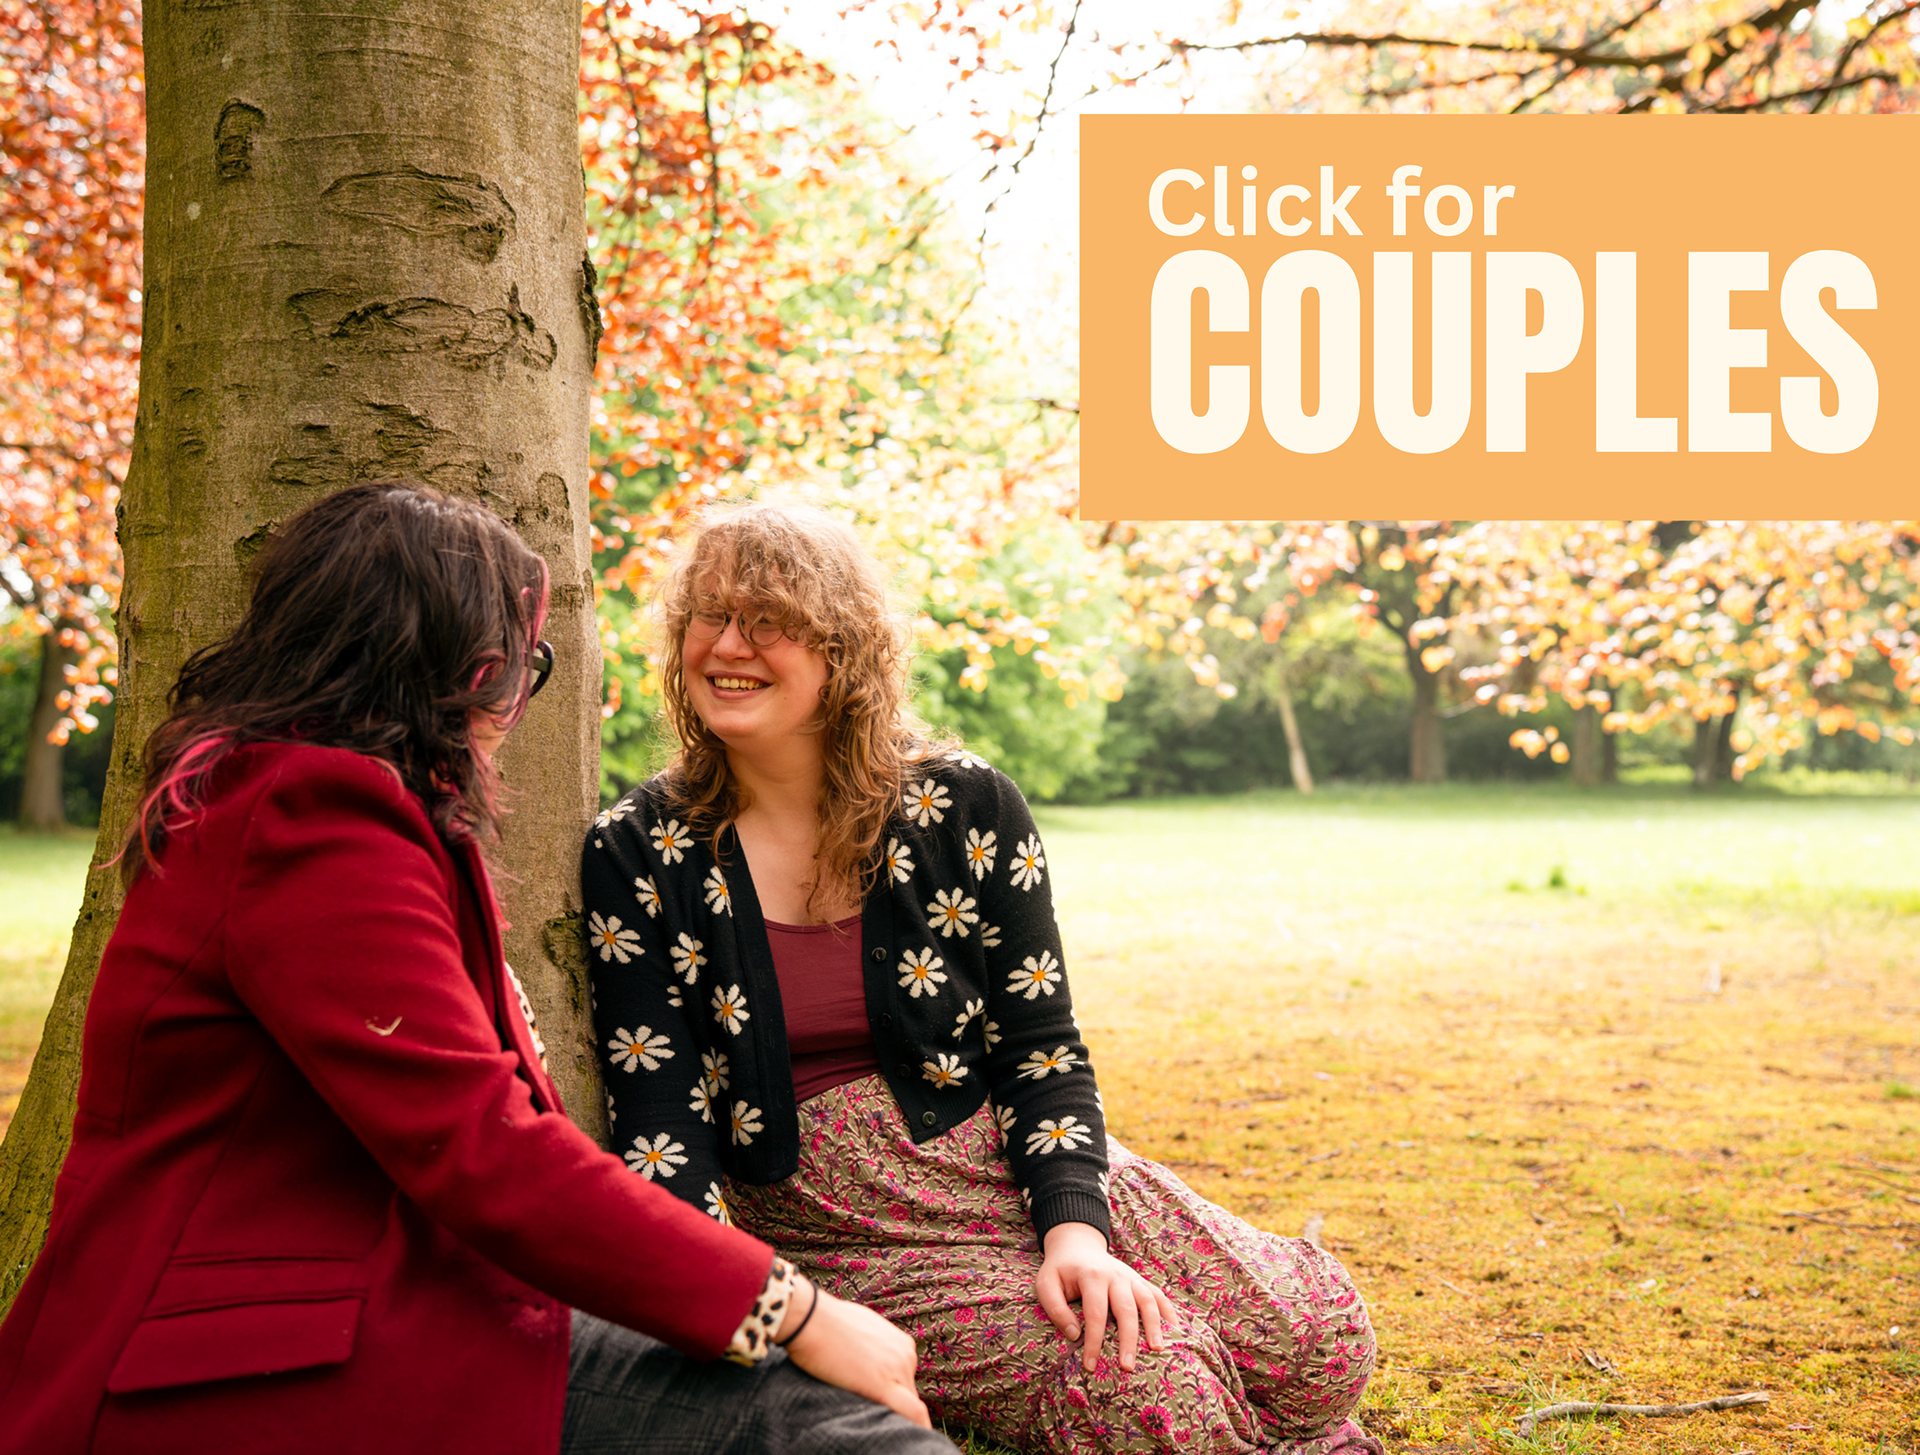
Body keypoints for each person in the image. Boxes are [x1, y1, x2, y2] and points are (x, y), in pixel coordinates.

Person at [0, 481, 954, 1455]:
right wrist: (792, 1309)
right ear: (473, 668)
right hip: (242, 1359)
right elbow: (482, 1146)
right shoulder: (310, 816)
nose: (516, 701)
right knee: (841, 1436)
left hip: (358, 1305)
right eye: (525, 665)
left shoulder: (300, 799)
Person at [581, 502, 1382, 1455]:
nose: (727, 645)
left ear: (842, 647)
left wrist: (1074, 1230)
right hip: (845, 1233)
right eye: (705, 618)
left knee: (1320, 1340)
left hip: (1008, 1153)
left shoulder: (964, 806)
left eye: (768, 620)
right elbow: (662, 1138)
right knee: (1149, 1389)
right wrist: (762, 1319)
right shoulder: (639, 852)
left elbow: (1041, 1046)